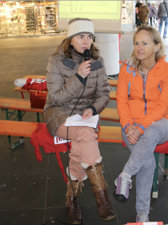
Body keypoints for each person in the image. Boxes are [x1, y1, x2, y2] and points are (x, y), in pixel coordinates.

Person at [43, 18, 115, 224]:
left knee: (79, 149)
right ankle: (103, 198)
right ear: (70, 39)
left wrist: (93, 108)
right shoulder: (56, 61)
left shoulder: (97, 61)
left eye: (89, 37)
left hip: (84, 117)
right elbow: (55, 98)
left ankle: (72, 199)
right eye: (81, 36)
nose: (86, 41)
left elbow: (104, 94)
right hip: (59, 114)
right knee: (86, 135)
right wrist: (79, 77)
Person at [114, 25, 168, 222]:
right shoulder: (127, 69)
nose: (139, 47)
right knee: (147, 162)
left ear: (157, 46)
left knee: (150, 134)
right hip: (131, 126)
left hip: (160, 124)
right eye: (136, 43)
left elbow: (164, 105)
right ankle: (142, 216)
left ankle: (125, 175)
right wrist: (128, 126)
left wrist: (142, 127)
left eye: (145, 43)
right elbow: (121, 101)